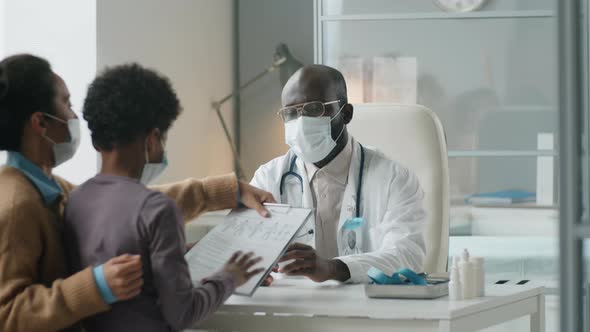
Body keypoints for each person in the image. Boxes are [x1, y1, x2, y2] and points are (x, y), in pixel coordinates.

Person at [0, 54, 273, 332]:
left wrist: (223, 192)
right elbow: (6, 314)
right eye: (66, 103)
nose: (73, 116)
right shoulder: (16, 205)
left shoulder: (59, 191)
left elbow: (126, 205)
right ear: (40, 123)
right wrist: (95, 285)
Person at [251, 64, 427, 284]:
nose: (301, 122)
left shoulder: (394, 179)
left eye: (314, 109)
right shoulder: (268, 179)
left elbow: (407, 255)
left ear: (346, 114)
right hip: (292, 310)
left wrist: (333, 268)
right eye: (291, 113)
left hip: (368, 312)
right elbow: (245, 251)